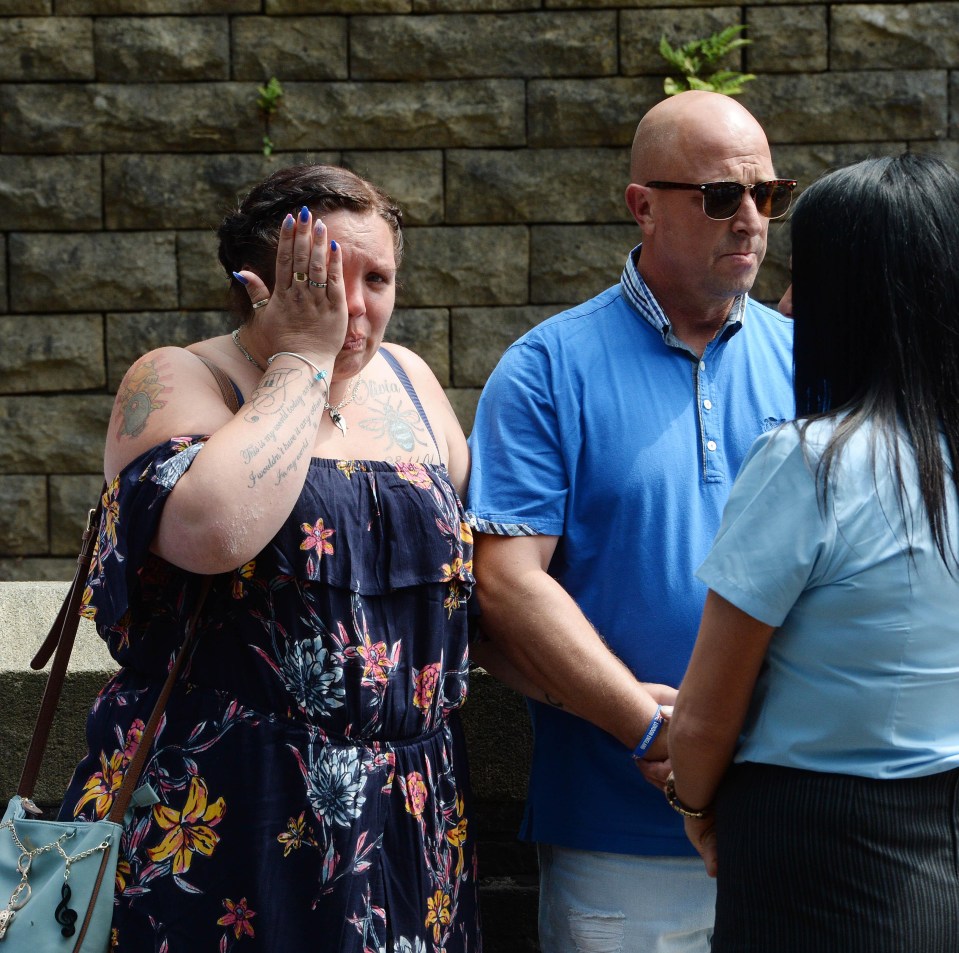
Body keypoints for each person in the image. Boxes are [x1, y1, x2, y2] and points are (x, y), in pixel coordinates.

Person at [60, 165, 481, 952]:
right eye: (321, 279)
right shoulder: (180, 377)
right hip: (231, 807)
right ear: (257, 282)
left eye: (377, 278)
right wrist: (302, 358)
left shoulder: (414, 384)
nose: (354, 308)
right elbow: (212, 530)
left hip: (403, 812)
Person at [466, 90, 796, 952]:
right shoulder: (545, 369)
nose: (751, 219)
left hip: (794, 827)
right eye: (722, 195)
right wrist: (653, 731)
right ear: (641, 206)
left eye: (768, 194)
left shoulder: (812, 362)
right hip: (619, 842)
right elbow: (503, 581)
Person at [668, 152, 959, 952]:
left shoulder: (810, 461)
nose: (786, 304)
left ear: (861, 298)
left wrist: (695, 809)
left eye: (807, 277)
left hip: (808, 843)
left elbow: (701, 715)